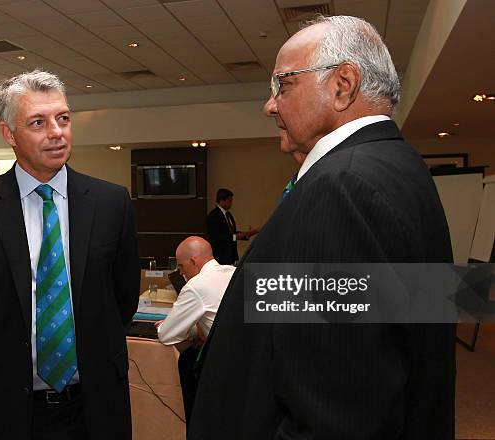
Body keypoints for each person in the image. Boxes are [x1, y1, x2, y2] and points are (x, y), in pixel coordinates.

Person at [189, 15, 455, 440]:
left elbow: (337, 411)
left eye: (283, 84)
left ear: (342, 85)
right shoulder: (395, 166)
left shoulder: (343, 188)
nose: (270, 104)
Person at [0, 70, 140, 440]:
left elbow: (122, 299)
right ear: (9, 134)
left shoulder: (113, 203)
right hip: (7, 408)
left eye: (63, 118)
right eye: (38, 122)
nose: (56, 132)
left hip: (95, 406)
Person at [156, 236, 235, 425]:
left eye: (182, 267)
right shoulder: (233, 271)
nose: (181, 274)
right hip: (252, 364)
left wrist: (188, 330)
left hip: (222, 369)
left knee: (187, 361)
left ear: (193, 261)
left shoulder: (196, 285)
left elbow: (167, 334)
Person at [206, 188, 258, 265]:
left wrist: (246, 234)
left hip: (231, 256)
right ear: (222, 201)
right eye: (229, 201)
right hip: (220, 256)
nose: (231, 203)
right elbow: (215, 237)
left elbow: (231, 233)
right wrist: (235, 237)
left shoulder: (228, 215)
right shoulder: (213, 216)